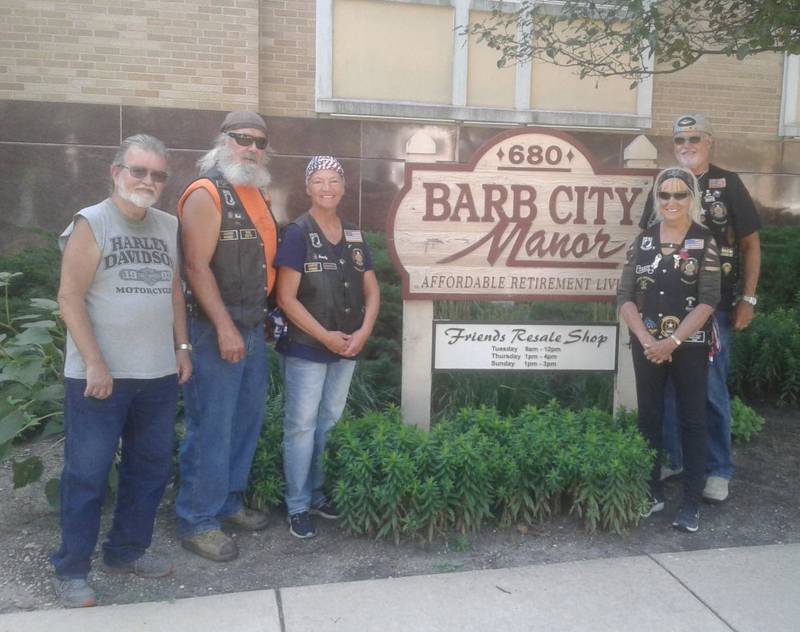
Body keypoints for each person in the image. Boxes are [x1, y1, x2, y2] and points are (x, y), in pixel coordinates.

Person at [52, 134, 192, 608]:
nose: (148, 181)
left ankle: (126, 552)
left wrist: (183, 347)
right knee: (87, 474)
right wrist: (94, 361)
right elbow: (69, 298)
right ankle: (71, 570)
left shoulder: (168, 225)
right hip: (99, 377)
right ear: (116, 173)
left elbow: (174, 290)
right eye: (139, 171)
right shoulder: (92, 223)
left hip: (156, 375)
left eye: (157, 175)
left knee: (149, 470)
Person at [639, 114, 761, 503]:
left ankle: (717, 469)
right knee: (671, 389)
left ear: (709, 141)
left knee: (710, 390)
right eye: (679, 139)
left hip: (714, 310)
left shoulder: (729, 183)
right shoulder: (665, 184)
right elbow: (646, 242)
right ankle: (675, 458)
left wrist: (748, 298)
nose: (686, 145)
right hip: (666, 308)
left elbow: (750, 244)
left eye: (693, 138)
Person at [176, 111, 279, 561]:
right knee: (211, 427)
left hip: (253, 330)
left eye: (259, 141)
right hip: (217, 331)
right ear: (223, 141)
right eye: (242, 139)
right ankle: (198, 519)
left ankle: (228, 501)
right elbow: (196, 267)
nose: (251, 148)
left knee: (243, 424)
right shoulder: (205, 193)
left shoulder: (256, 193)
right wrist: (222, 327)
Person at [275, 156, 380, 539]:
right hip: (307, 347)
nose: (327, 188)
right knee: (300, 426)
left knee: (330, 422)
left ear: (343, 186)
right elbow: (286, 298)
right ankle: (297, 505)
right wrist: (324, 336)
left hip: (347, 346)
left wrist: (364, 331)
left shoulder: (353, 234)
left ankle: (318, 494)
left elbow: (372, 288)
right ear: (307, 188)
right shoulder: (297, 233)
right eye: (318, 181)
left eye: (334, 180)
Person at [619, 167, 721, 533]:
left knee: (693, 420)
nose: (672, 202)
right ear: (657, 199)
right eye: (665, 195)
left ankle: (691, 502)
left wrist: (672, 341)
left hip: (688, 345)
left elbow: (709, 300)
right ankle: (651, 493)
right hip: (646, 347)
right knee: (649, 418)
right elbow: (625, 297)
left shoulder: (705, 240)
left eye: (680, 195)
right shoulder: (642, 241)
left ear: (691, 198)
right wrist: (648, 341)